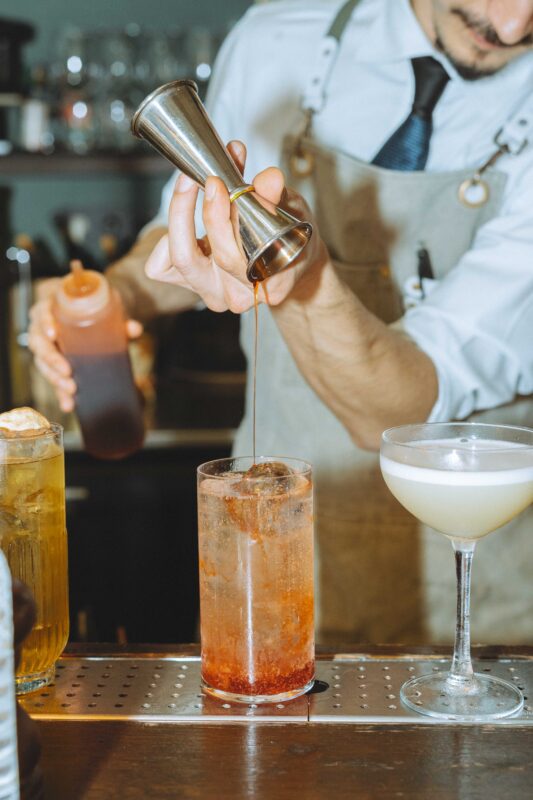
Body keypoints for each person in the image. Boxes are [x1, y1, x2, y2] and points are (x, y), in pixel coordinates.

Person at [29, 0, 533, 644]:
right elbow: (196, 237)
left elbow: (395, 415)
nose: (512, 26)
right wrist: (111, 298)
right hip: (279, 563)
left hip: (482, 609)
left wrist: (299, 270)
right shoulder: (279, 39)